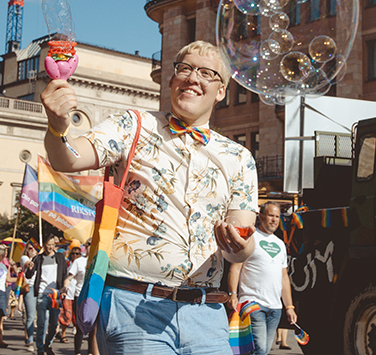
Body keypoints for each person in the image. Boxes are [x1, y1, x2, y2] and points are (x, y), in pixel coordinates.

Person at [40, 40, 259, 355]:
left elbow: (241, 241)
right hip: (134, 304)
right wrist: (57, 127)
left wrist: (240, 245)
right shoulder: (134, 126)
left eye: (206, 73)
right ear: (171, 81)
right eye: (185, 68)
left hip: (207, 313)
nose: (193, 78)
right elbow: (68, 159)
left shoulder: (239, 157)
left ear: (221, 90)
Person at [228, 202, 297, 355]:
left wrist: (289, 307)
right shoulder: (249, 239)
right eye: (271, 215)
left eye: (277, 217)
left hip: (275, 308)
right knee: (261, 350)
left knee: (260, 351)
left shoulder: (280, 244)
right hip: (253, 304)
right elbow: (236, 268)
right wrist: (233, 294)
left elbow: (284, 278)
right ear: (261, 216)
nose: (274, 220)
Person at [26, 235, 68, 355]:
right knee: (42, 322)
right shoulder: (38, 259)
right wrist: (29, 269)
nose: (50, 247)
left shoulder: (59, 258)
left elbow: (64, 274)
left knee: (54, 324)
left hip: (55, 294)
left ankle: (47, 344)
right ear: (44, 245)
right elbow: (29, 275)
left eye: (52, 245)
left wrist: (64, 288)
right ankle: (40, 348)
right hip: (42, 293)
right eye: (48, 244)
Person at [20, 243, 38, 351]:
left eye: (34, 248)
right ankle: (30, 341)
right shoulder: (24, 258)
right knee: (30, 316)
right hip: (29, 287)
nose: (32, 250)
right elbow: (28, 263)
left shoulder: (39, 258)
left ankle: (42, 340)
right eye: (30, 248)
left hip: (39, 287)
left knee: (43, 316)